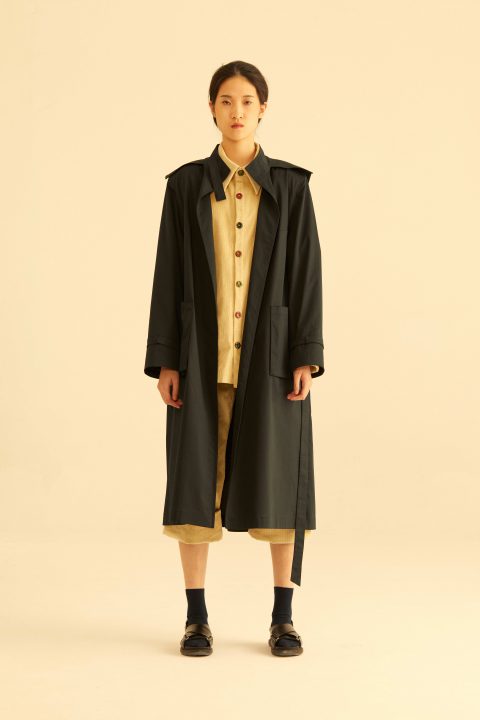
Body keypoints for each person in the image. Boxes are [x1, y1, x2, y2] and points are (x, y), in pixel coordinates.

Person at [144, 60, 325, 657]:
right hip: (201, 361)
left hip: (271, 360)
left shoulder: (291, 188)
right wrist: (167, 359)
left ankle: (283, 617)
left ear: (263, 109)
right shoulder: (185, 186)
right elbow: (167, 274)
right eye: (226, 100)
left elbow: (306, 275)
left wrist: (305, 354)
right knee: (194, 487)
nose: (237, 111)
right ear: (212, 109)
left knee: (280, 488)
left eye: (248, 101)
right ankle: (196, 617)